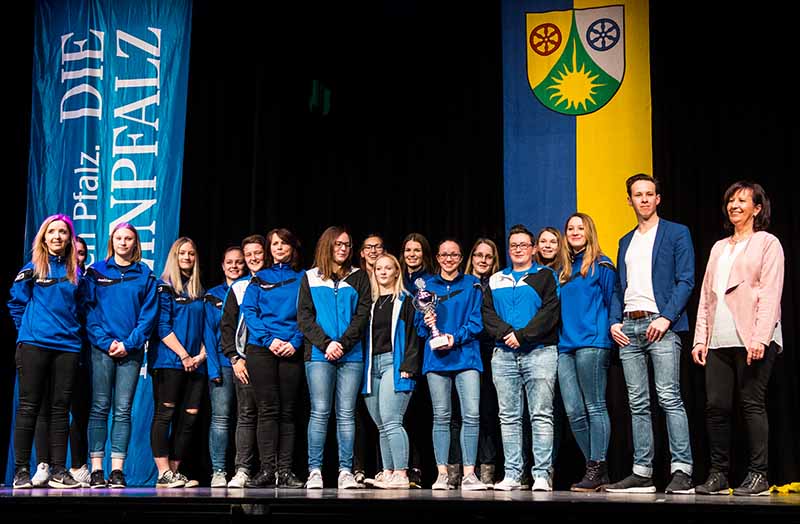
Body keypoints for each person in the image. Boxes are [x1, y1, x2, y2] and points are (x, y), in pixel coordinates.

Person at [691, 181, 784, 497]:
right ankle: (719, 473)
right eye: (731, 200)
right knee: (716, 406)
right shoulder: (719, 247)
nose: (734, 205)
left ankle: (758, 474)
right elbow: (707, 295)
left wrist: (760, 337)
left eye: (742, 200)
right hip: (719, 338)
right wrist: (700, 338)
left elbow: (770, 293)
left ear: (757, 208)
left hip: (753, 337)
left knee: (751, 403)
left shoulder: (767, 243)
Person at [606, 173, 695, 494]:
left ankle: (682, 470)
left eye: (649, 194)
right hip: (629, 327)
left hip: (661, 324)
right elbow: (619, 286)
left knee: (669, 397)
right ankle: (642, 472)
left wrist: (667, 318)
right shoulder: (625, 241)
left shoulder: (676, 233)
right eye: (637, 195)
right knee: (637, 402)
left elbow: (686, 280)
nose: (643, 199)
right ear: (629, 200)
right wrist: (614, 321)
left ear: (658, 198)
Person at [9, 214, 88, 489]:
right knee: (29, 407)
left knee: (59, 409)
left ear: (69, 238)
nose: (57, 236)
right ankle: (21, 471)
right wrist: (29, 331)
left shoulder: (75, 274)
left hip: (67, 347)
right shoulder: (32, 269)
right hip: (34, 345)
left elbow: (83, 307)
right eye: (52, 232)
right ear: (43, 237)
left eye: (62, 232)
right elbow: (16, 304)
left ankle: (58, 469)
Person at [482, 225, 560, 491]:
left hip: (539, 353)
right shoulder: (495, 279)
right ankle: (513, 474)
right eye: (513, 245)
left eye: (523, 245)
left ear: (533, 248)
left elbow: (550, 313)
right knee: (509, 416)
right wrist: (507, 334)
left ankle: (541, 475)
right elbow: (488, 315)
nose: (518, 250)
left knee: (540, 415)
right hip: (503, 355)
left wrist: (523, 336)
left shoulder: (546, 276)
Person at [84, 223, 158, 488]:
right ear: (111, 241)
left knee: (123, 410)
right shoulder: (95, 272)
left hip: (131, 351)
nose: (123, 242)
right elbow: (89, 312)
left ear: (135, 243)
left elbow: (148, 316)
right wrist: (106, 342)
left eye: (128, 239)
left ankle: (117, 470)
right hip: (101, 350)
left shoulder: (145, 274)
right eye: (119, 238)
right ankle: (95, 470)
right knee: (100, 407)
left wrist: (129, 343)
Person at [297, 226, 371, 489]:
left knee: (346, 413)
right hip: (318, 354)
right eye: (338, 244)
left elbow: (362, 316)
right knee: (319, 412)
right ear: (327, 246)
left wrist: (343, 343)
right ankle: (314, 471)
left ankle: (345, 471)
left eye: (347, 245)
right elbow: (304, 319)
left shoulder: (359, 277)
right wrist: (327, 344)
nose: (343, 248)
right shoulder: (310, 277)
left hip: (351, 355)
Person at [418, 238, 486, 491]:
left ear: (460, 258)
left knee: (471, 415)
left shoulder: (472, 284)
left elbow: (478, 322)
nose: (449, 259)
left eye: (454, 255)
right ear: (437, 258)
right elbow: (418, 326)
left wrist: (454, 338)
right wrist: (428, 324)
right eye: (444, 254)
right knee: (442, 416)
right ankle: (442, 473)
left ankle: (469, 474)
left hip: (466, 357)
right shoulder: (426, 287)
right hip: (436, 360)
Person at [240, 228, 306, 488]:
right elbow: (250, 311)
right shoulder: (259, 279)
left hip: (291, 348)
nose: (279, 248)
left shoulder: (303, 278)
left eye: (283, 243)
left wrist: (294, 341)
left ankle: (286, 471)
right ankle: (267, 470)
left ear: (292, 247)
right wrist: (270, 340)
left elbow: (307, 313)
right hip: (261, 349)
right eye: (274, 244)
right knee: (267, 410)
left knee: (288, 412)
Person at [557, 213, 616, 491]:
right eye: (570, 228)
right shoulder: (564, 270)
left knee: (595, 406)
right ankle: (593, 466)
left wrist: (611, 331)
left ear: (589, 231)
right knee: (573, 410)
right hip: (566, 346)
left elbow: (613, 300)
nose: (575, 231)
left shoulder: (602, 265)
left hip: (592, 343)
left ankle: (598, 465)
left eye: (580, 227)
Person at [31, 236, 92, 488]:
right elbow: (20, 304)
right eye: (73, 252)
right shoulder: (46, 274)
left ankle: (78, 467)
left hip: (80, 353)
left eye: (81, 253)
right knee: (45, 407)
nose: (76, 256)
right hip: (50, 347)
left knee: (78, 411)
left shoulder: (87, 281)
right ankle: (44, 464)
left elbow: (92, 313)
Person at [150, 237, 207, 488]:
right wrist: (184, 355)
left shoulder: (198, 290)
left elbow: (205, 326)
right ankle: (163, 472)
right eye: (182, 253)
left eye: (191, 253)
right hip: (170, 361)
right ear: (174, 256)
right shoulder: (164, 287)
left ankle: (174, 472)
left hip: (196, 363)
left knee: (190, 416)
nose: (187, 257)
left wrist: (201, 355)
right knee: (166, 414)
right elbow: (162, 327)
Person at [361, 253, 420, 489]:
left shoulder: (406, 301)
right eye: (378, 268)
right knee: (381, 424)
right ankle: (387, 471)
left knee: (392, 420)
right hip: (371, 367)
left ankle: (401, 473)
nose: (383, 272)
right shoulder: (370, 304)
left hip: (394, 365)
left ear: (397, 272)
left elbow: (414, 337)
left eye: (388, 268)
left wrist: (408, 365)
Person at [220, 235, 265, 488]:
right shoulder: (237, 287)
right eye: (249, 255)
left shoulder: (277, 282)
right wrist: (235, 358)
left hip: (272, 360)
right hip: (245, 361)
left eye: (258, 253)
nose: (253, 258)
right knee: (247, 415)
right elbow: (227, 327)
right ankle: (243, 469)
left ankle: (275, 470)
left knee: (273, 415)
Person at [203, 246, 246, 487]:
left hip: (246, 363)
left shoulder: (251, 288)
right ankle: (218, 471)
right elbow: (208, 335)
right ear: (222, 265)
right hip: (221, 363)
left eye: (239, 262)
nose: (234, 266)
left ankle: (243, 469)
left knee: (246, 419)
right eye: (229, 262)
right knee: (220, 419)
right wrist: (212, 369)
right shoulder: (212, 295)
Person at [398, 232, 435, 487]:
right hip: (399, 351)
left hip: (425, 351)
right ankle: (397, 467)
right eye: (408, 250)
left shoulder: (429, 282)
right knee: (401, 414)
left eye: (417, 251)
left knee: (422, 412)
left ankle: (419, 468)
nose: (412, 255)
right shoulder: (396, 278)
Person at [464, 238, 501, 487]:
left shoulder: (498, 284)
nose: (483, 260)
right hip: (465, 350)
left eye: (488, 256)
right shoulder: (463, 283)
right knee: (465, 412)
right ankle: (464, 469)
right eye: (478, 255)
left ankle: (488, 468)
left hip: (491, 350)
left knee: (488, 412)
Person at [355, 233, 386, 485]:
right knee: (358, 414)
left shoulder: (389, 278)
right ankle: (359, 468)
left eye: (378, 247)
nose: (374, 251)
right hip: (358, 354)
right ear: (362, 252)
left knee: (387, 415)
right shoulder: (356, 278)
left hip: (383, 356)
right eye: (369, 247)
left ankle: (386, 469)